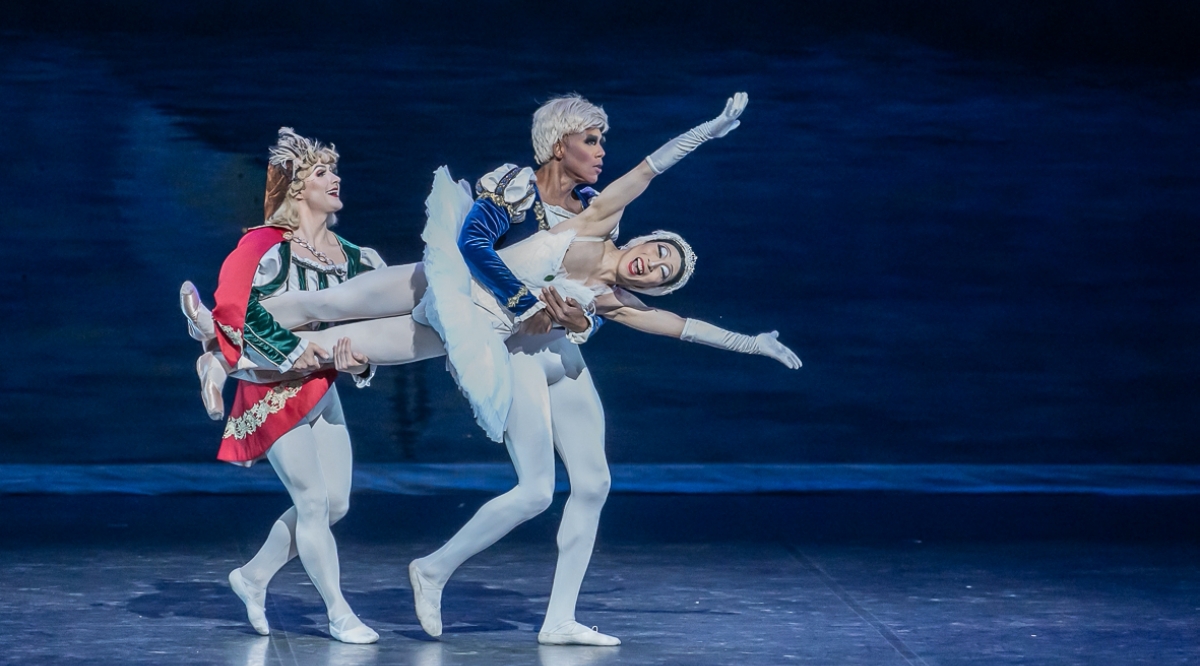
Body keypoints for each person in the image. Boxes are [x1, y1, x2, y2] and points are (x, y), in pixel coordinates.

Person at [409, 91, 800, 648]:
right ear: (644, 238)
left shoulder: (618, 302)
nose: (656, 265)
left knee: (594, 482)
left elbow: (685, 327)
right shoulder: (598, 220)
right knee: (537, 491)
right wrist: (707, 130)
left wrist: (752, 343)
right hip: (519, 350)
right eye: (661, 251)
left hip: (560, 361)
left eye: (665, 274)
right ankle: (434, 569)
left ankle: (559, 619)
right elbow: (649, 170)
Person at [192, 128, 412, 644]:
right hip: (271, 390)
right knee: (313, 503)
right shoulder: (265, 246)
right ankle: (339, 612)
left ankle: (251, 577)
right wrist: (296, 351)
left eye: (335, 170)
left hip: (322, 390)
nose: (334, 178)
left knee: (336, 505)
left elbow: (367, 331)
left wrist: (358, 364)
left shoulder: (355, 258)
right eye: (321, 172)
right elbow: (238, 311)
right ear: (296, 187)